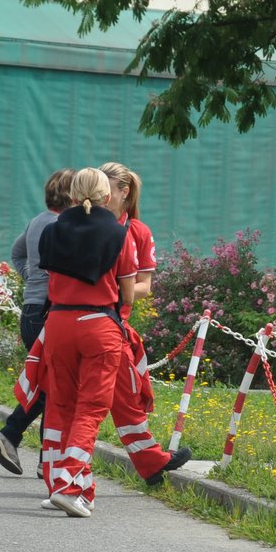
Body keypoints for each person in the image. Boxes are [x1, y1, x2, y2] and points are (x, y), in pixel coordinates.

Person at [34, 168, 138, 517]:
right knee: (91, 409)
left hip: (59, 323)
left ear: (72, 195)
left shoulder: (52, 231)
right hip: (98, 325)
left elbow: (51, 278)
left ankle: (68, 487)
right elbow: (127, 293)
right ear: (107, 196)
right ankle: (69, 483)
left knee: (60, 404)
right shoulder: (119, 234)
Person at [100, 161, 191, 485]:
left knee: (123, 397)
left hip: (111, 323)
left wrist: (111, 291)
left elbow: (144, 287)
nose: (98, 196)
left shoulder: (137, 232)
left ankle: (150, 462)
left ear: (124, 193)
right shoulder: (83, 224)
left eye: (105, 190)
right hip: (91, 322)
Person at [0, 169, 73, 478]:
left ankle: (42, 457)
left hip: (30, 310)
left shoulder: (37, 221)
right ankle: (13, 435)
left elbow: (16, 252)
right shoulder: (62, 225)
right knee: (52, 386)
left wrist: (29, 278)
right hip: (52, 310)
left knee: (48, 385)